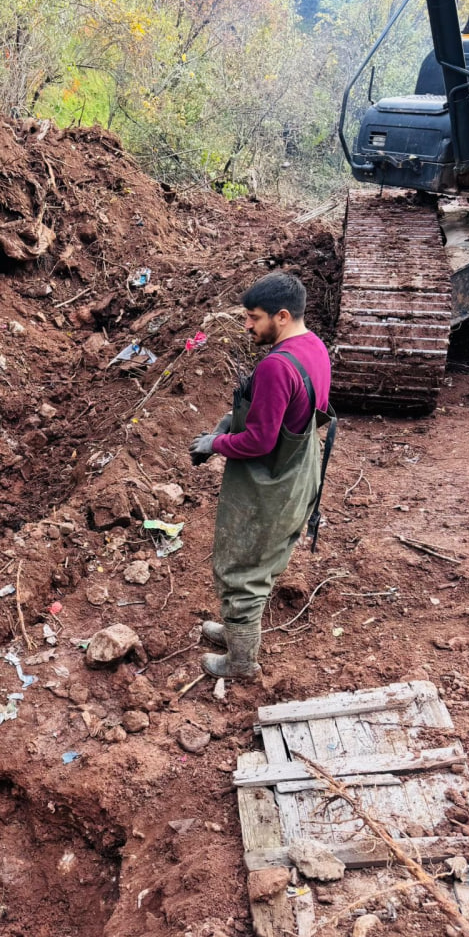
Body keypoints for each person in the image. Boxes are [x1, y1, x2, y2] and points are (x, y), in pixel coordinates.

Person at [189, 273, 333, 681]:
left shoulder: (275, 366)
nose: (247, 326)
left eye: (253, 318)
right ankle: (238, 633)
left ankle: (241, 663)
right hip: (301, 468)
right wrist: (225, 425)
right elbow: (291, 414)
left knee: (242, 570)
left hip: (273, 480)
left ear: (281, 316)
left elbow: (260, 441)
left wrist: (213, 445)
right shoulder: (314, 347)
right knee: (257, 563)